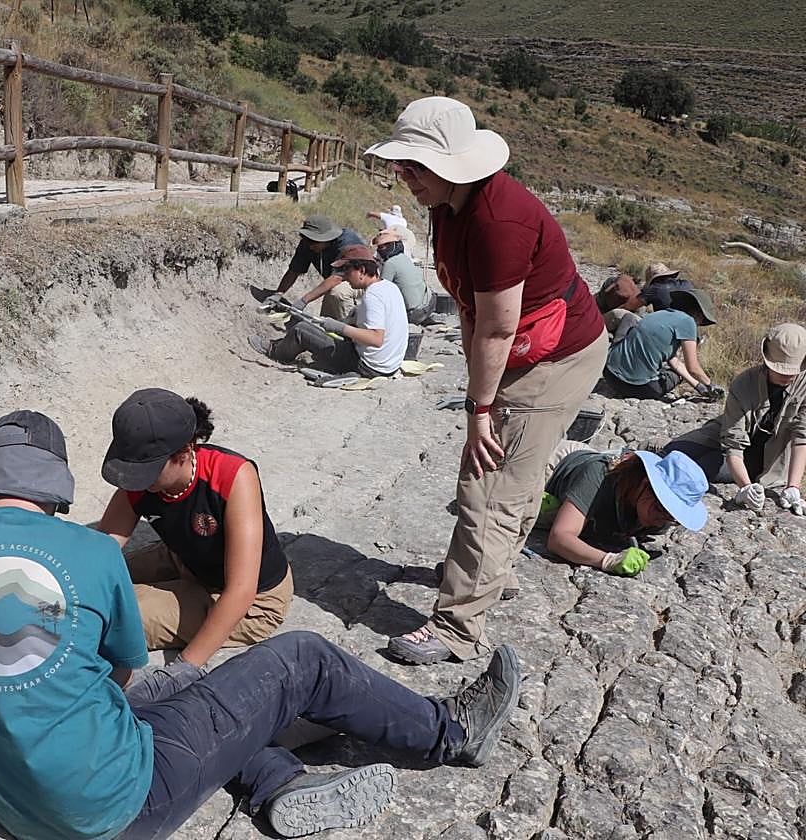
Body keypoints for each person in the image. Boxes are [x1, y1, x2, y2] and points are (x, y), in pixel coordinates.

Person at [0, 409, 523, 840]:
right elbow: (121, 676)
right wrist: (170, 681)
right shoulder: (86, 555)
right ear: (53, 482)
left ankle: (279, 785)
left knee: (207, 701)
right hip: (118, 806)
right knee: (301, 659)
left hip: (14, 807)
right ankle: (449, 732)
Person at [365, 96, 609, 665]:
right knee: (512, 476)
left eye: (411, 167)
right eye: (401, 164)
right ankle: (493, 572)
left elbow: (497, 331)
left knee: (487, 482)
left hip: (555, 358)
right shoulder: (450, 201)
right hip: (532, 349)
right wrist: (484, 392)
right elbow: (471, 307)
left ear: (448, 165)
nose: (401, 177)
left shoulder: (499, 220)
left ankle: (455, 626)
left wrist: (479, 408)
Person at [96, 389, 294, 662]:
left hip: (252, 601)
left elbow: (241, 590)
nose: (138, 481)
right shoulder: (142, 482)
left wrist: (184, 668)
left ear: (186, 450)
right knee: (97, 588)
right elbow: (100, 552)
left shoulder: (232, 476)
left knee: (115, 615)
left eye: (147, 471)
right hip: (187, 561)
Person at [666, 322, 806, 515]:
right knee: (674, 452)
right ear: (767, 360)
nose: (787, 375)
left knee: (694, 468)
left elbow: (801, 438)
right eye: (781, 369)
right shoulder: (744, 383)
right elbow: (733, 441)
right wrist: (745, 487)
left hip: (763, 459)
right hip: (729, 442)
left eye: (793, 370)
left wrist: (793, 487)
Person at [536, 442, 708, 576]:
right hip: (549, 463)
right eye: (661, 508)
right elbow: (559, 538)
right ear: (646, 484)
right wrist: (608, 560)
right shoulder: (599, 477)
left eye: (673, 516)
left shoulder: (660, 521)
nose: (662, 519)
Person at [250, 244, 409, 379]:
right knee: (314, 328)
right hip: (389, 364)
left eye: (347, 271)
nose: (345, 277)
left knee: (301, 330)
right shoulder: (389, 287)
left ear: (360, 270)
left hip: (368, 366)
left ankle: (276, 352)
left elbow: (376, 339)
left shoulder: (373, 296)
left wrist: (339, 328)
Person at [603, 287, 723, 400]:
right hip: (636, 388)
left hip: (609, 375)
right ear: (699, 315)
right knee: (675, 376)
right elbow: (693, 368)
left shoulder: (661, 314)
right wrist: (710, 384)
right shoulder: (688, 322)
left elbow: (673, 361)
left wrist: (698, 386)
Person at [268, 214, 365, 321]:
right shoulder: (309, 243)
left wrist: (303, 301)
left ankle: (351, 329)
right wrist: (278, 294)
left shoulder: (347, 245)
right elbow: (294, 270)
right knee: (326, 323)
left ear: (327, 238)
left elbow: (336, 278)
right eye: (308, 240)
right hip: (334, 284)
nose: (310, 246)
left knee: (338, 292)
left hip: (361, 283)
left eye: (314, 241)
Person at [374, 228, 436, 325]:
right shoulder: (404, 258)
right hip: (430, 301)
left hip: (416, 313)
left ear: (391, 246)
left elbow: (381, 291)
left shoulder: (390, 264)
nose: (378, 250)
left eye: (381, 247)